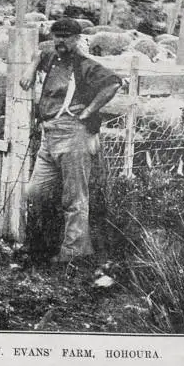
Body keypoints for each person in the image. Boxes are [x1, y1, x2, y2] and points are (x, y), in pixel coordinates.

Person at [19, 18, 122, 264]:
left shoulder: (83, 64)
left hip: (73, 135)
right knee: (35, 192)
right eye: (57, 36)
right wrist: (34, 62)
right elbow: (26, 80)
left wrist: (87, 112)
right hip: (49, 135)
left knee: (75, 198)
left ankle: (74, 253)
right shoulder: (52, 59)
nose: (60, 41)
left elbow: (113, 83)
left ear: (77, 39)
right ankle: (47, 242)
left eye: (66, 37)